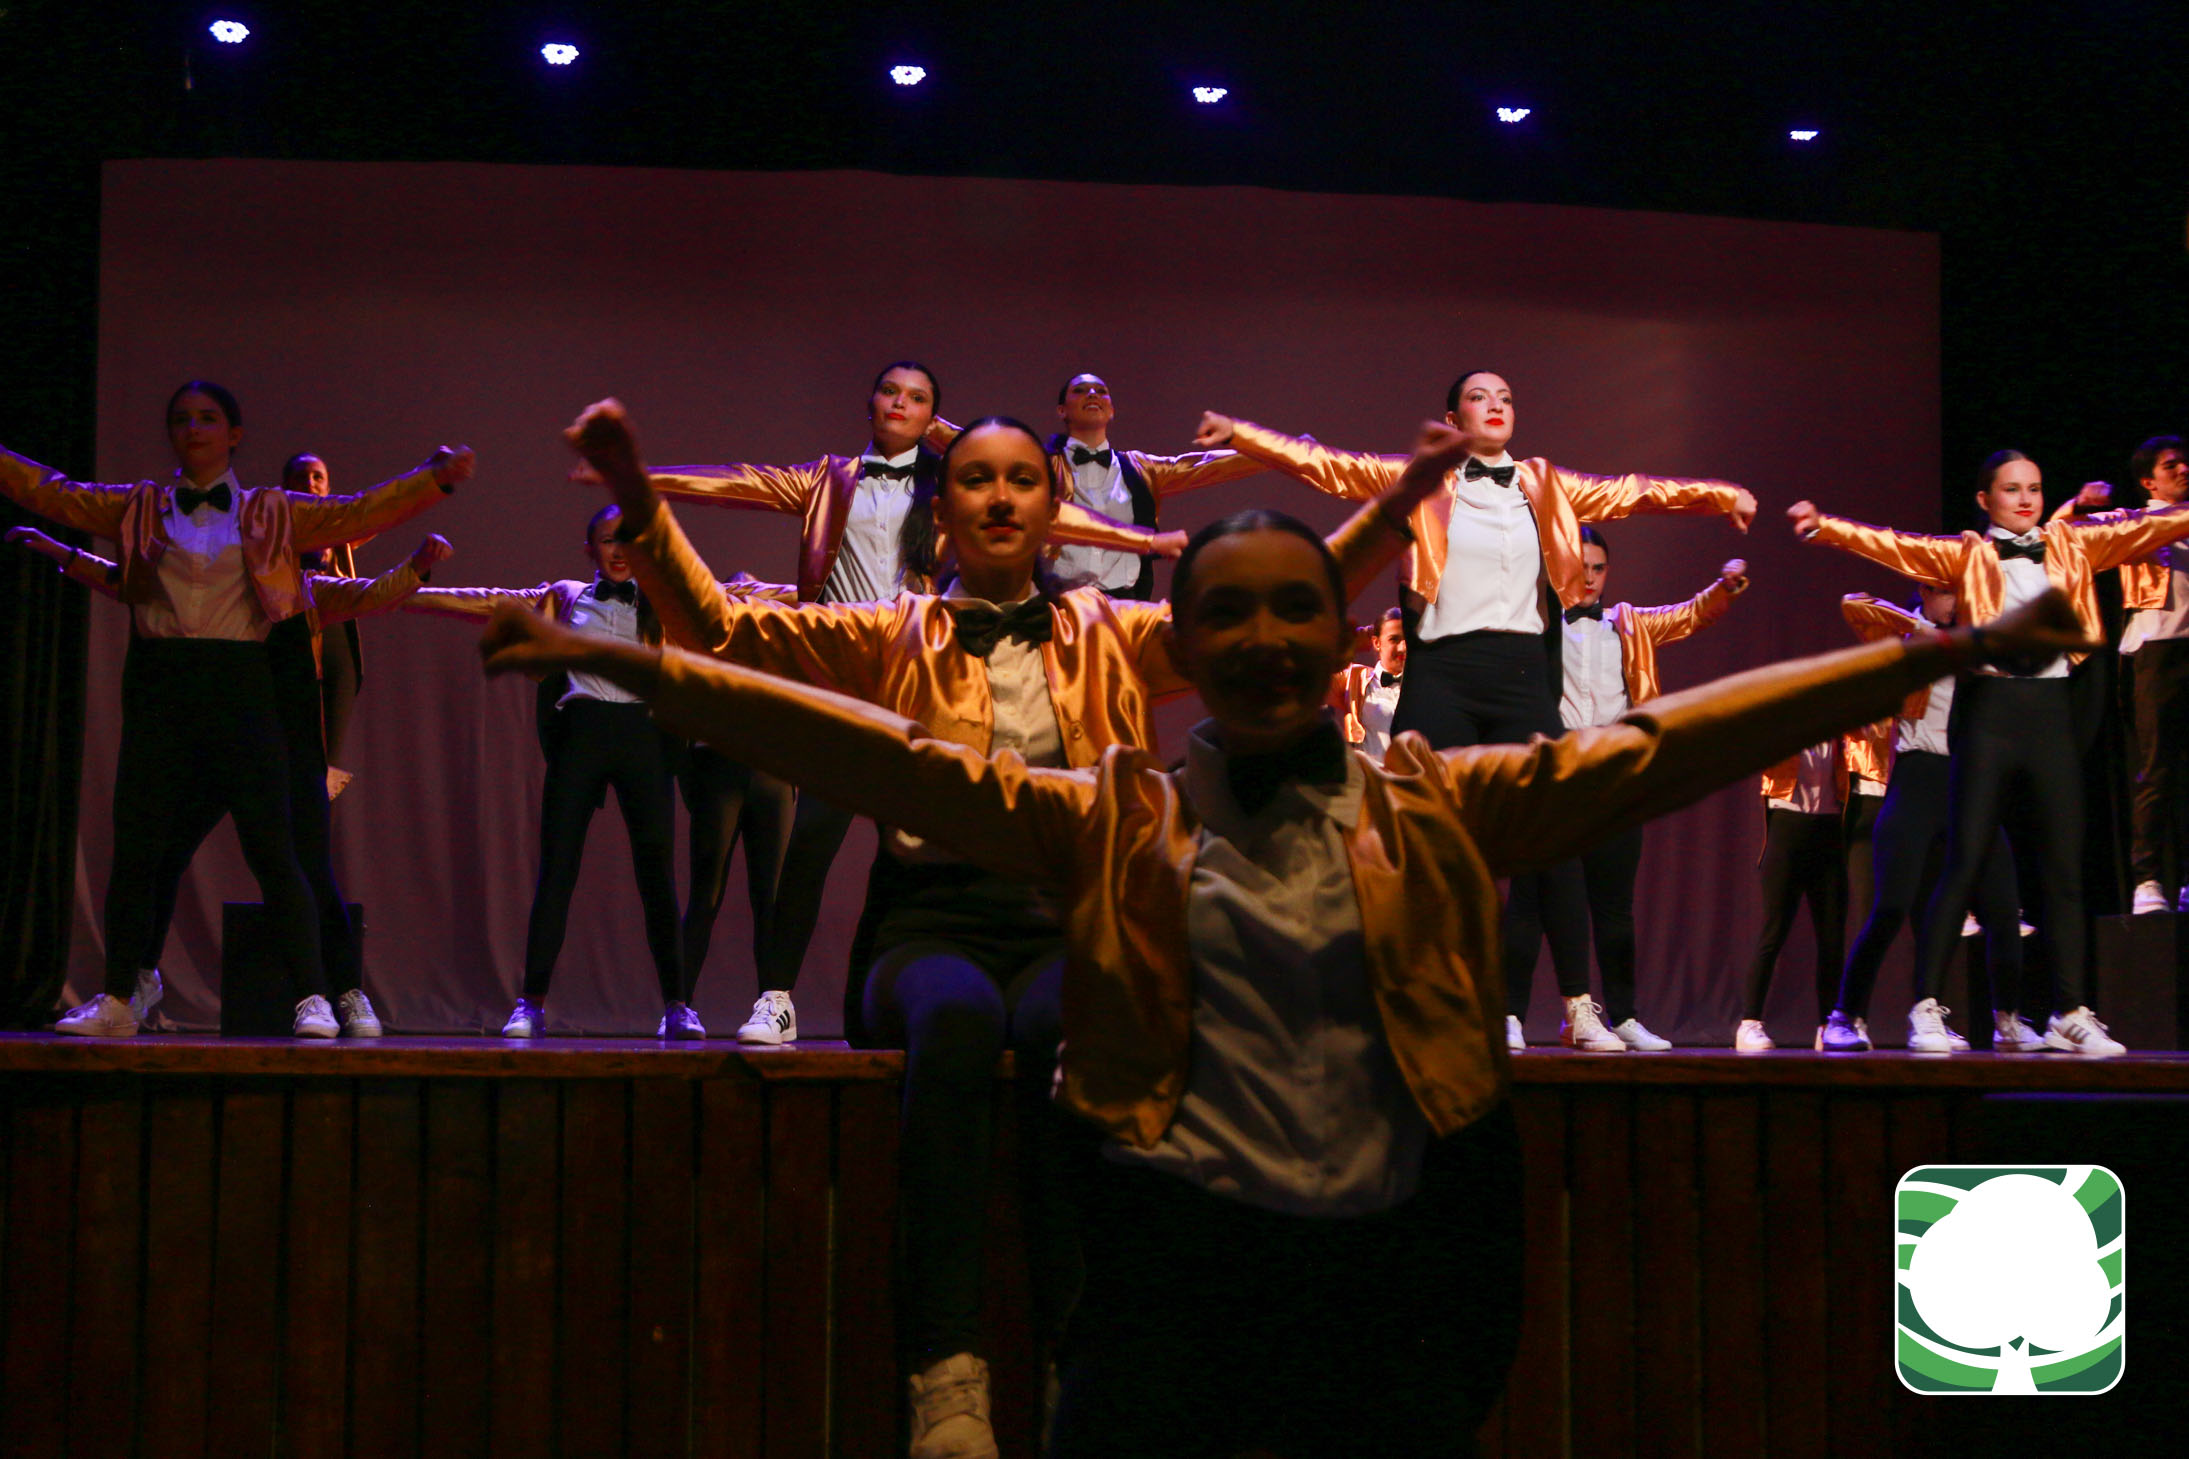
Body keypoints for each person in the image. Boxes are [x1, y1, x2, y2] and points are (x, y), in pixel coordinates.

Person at [483, 421, 2090, 1457]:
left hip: (1394, 1305)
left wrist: (1935, 656)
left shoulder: (1436, 803)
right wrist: (627, 662)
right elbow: (867, 753)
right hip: (1171, 1315)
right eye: (1226, 613)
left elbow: (1667, 744)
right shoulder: (1111, 817)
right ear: (1179, 643)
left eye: (1293, 609)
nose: (1260, 637)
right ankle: (955, 1364)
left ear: (1341, 640)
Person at [569, 396, 1428, 1459]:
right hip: (928, 926)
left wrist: (1400, 503)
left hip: (1072, 922)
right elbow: (730, 631)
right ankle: (945, 1371)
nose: (1000, 496)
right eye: (975, 478)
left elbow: (1264, 610)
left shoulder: (1110, 630)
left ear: (1053, 508)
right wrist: (637, 496)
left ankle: (1083, 1358)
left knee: (1073, 1028)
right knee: (957, 1020)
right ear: (941, 512)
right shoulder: (895, 629)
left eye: (1022, 478)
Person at [1196, 371, 1757, 1058]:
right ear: (1452, 416)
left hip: (1520, 677)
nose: (1495, 405)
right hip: (1443, 675)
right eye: (1480, 397)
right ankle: (1409, 998)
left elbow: (1635, 490)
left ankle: (1578, 1008)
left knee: (1553, 842)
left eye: (1506, 398)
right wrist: (1242, 436)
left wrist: (1717, 495)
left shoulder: (1545, 483)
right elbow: (1329, 465)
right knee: (1424, 840)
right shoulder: (1422, 478)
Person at [640, 362, 1176, 1043]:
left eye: (917, 398)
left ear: (933, 420)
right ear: (869, 403)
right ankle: (776, 996)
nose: (900, 403)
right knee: (811, 842)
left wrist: (1144, 541)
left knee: (945, 831)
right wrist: (647, 483)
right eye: (891, 392)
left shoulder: (954, 492)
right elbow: (740, 483)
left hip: (927, 664)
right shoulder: (828, 479)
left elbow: (1045, 516)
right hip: (854, 662)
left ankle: (976, 960)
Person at [0, 381, 472, 1038]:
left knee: (275, 847)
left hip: (240, 682)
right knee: (139, 848)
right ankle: (117, 999)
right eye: (181, 419)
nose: (193, 428)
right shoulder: (140, 506)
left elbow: (357, 511)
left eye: (207, 417)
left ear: (234, 435)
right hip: (162, 682)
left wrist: (432, 481)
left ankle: (314, 996)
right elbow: (56, 492)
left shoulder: (271, 511)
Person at [1790, 447, 2189, 1053]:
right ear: (1985, 499)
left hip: (2050, 715)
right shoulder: (1967, 555)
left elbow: (2149, 526)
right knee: (1962, 863)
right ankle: (1923, 1006)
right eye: (2011, 489)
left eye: (2034, 488)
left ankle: (2068, 1011)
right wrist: (1825, 527)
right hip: (1988, 721)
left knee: (2061, 870)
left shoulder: (2073, 543)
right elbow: (1894, 544)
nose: (2025, 499)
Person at [403, 505, 708, 1038]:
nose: (618, 551)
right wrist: (407, 588)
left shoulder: (664, 601)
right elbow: (490, 602)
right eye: (607, 540)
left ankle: (678, 1006)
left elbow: (740, 601)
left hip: (644, 737)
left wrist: (816, 597)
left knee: (658, 876)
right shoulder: (566, 597)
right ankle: (530, 1003)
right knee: (558, 871)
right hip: (582, 736)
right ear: (589, 549)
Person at [1554, 527, 1749, 1049]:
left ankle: (1623, 1016)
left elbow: (1690, 614)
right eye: (1581, 568)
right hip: (1561, 772)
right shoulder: (1541, 622)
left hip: (1617, 775)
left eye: (1598, 568)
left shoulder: (1629, 624)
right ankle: (1549, 1011)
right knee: (1549, 899)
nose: (1590, 579)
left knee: (1615, 906)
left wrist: (1724, 588)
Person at [1821, 588, 2032, 1052]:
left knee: (2003, 907)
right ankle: (1844, 1017)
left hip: (1969, 785)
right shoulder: (1908, 641)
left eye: (1958, 593)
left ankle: (2008, 1020)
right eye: (1943, 593)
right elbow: (1854, 604)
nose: (1953, 603)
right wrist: (1923, 628)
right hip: (1919, 777)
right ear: (1924, 592)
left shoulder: (1976, 642)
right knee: (1892, 906)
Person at [2058, 438, 2189, 914]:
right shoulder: (2130, 523)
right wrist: (2080, 503)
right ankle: (2147, 879)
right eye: (2171, 465)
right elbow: (2062, 534)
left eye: (2185, 462)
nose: (2183, 469)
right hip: (2156, 651)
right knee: (2157, 767)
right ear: (2149, 482)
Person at [282, 452, 371, 798]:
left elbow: (379, 515)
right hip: (293, 641)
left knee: (328, 763)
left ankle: (319, 825)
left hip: (337, 645)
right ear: (285, 486)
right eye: (301, 476)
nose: (310, 483)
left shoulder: (340, 533)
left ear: (328, 486)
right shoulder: (273, 532)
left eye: (317, 477)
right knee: (292, 752)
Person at [1332, 607, 1407, 762]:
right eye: (1394, 639)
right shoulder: (1353, 677)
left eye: (1408, 640)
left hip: (1413, 776)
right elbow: (1315, 669)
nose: (1403, 648)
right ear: (1376, 643)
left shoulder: (1423, 684)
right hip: (1368, 775)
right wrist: (1361, 637)